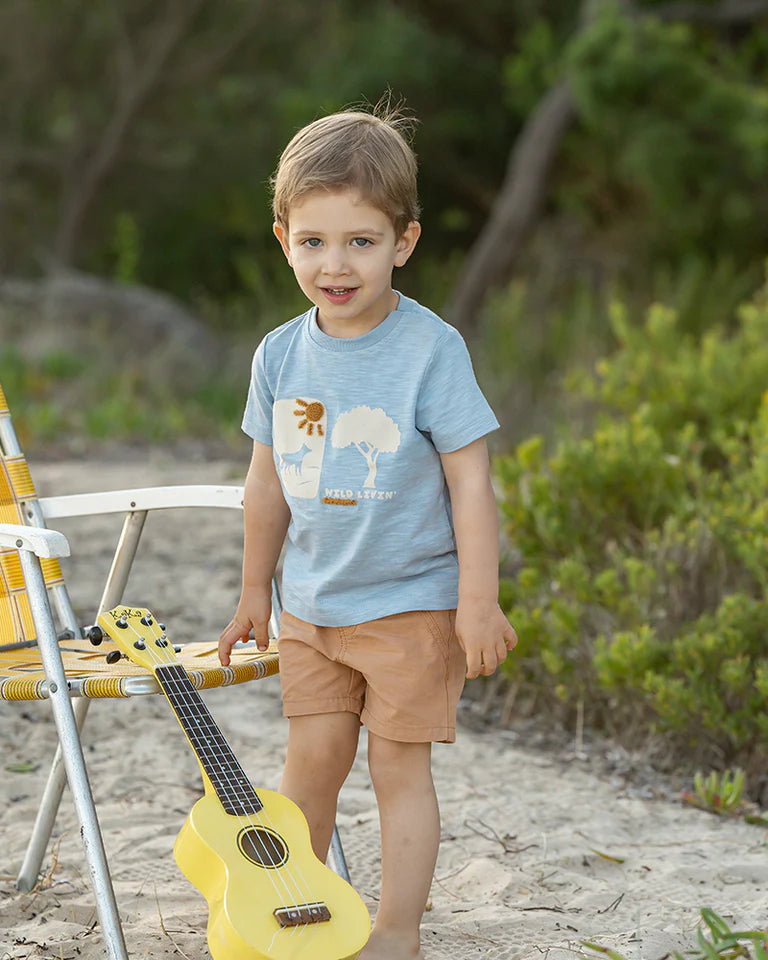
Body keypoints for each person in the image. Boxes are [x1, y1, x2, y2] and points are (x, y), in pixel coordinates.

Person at [218, 103, 517, 960]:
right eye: (313, 242)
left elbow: (471, 479)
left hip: (412, 606)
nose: (335, 264)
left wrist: (476, 601)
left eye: (360, 242)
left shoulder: (431, 349)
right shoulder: (279, 355)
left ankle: (397, 931)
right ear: (283, 238)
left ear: (405, 241)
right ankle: (297, 919)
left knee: (397, 770)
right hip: (311, 605)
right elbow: (266, 481)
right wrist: (252, 592)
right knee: (309, 765)